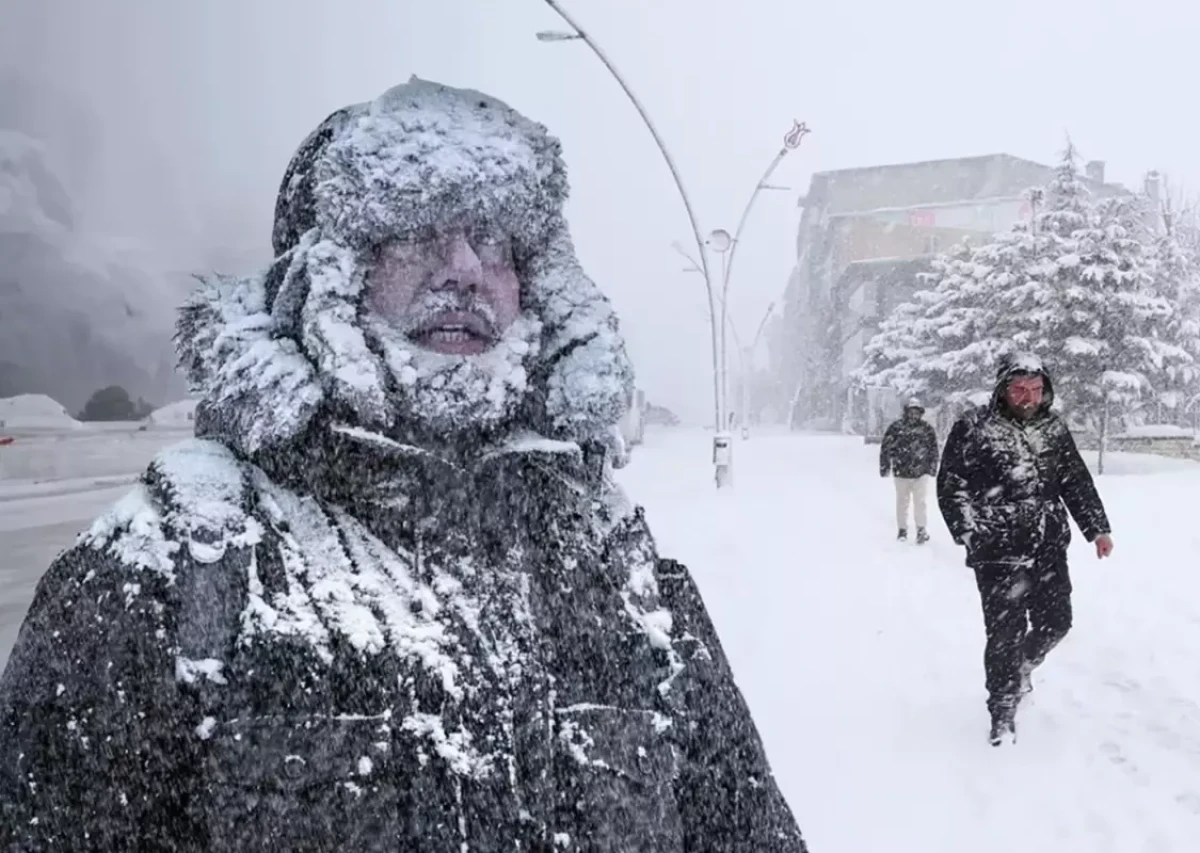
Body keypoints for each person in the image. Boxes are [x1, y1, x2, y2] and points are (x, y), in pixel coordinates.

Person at [0, 77, 809, 852]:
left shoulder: (617, 564)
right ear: (327, 274)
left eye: (493, 236)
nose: (461, 264)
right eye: (414, 227)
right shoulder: (171, 570)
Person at [937, 352, 1113, 747]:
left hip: (1048, 545)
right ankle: (1002, 711)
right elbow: (952, 485)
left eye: (1035, 390)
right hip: (998, 550)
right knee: (1005, 634)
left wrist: (1097, 528)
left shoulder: (1053, 428)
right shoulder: (975, 427)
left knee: (1058, 622)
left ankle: (1022, 667)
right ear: (1002, 389)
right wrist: (970, 532)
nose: (1028, 397)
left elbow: (1076, 481)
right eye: (1019, 389)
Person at [879, 397, 939, 544]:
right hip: (901, 473)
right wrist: (884, 466)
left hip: (921, 472)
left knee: (921, 502)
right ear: (906, 412)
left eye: (916, 412)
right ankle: (902, 530)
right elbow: (886, 448)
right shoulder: (896, 427)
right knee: (902, 502)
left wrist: (932, 467)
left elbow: (933, 450)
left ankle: (921, 529)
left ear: (921, 413)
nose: (913, 415)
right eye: (911, 411)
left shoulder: (926, 429)